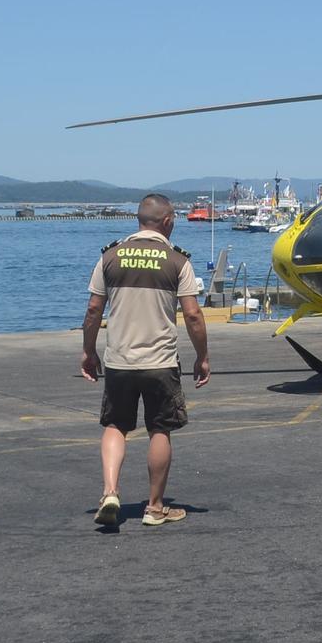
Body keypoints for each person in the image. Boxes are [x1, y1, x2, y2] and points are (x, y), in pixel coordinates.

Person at [80, 194, 210, 527]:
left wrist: (88, 351)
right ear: (167, 221)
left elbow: (94, 309)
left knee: (115, 426)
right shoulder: (177, 261)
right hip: (160, 361)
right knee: (160, 429)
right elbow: (193, 315)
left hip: (120, 360)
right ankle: (154, 508)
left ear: (140, 220)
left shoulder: (110, 256)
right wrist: (202, 357)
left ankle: (110, 492)